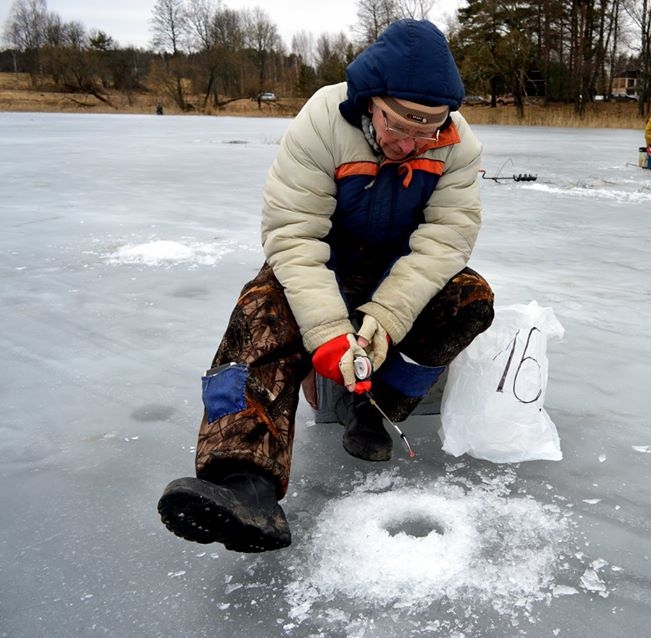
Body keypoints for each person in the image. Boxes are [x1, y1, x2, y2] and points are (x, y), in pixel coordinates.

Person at [157, 19, 495, 553]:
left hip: (395, 271)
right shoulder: (321, 121)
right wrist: (329, 333)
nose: (410, 144)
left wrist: (384, 320)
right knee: (261, 308)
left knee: (470, 299)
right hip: (324, 264)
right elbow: (294, 235)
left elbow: (446, 241)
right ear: (370, 101)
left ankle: (373, 409)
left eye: (428, 131)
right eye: (398, 126)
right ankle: (245, 482)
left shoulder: (457, 145)